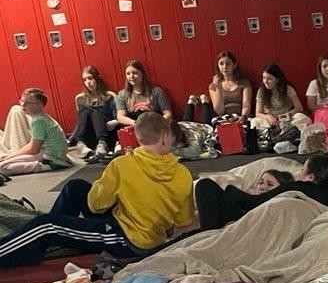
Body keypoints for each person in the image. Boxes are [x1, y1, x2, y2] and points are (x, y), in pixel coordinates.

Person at [0, 112, 194, 266]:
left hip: (126, 240)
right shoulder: (183, 173)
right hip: (146, 233)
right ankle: (55, 245)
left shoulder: (122, 165)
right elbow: (183, 219)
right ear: (165, 137)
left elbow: (95, 205)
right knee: (75, 187)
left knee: (46, 225)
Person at [194, 154, 328, 231]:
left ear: (310, 177)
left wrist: (228, 186)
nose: (298, 173)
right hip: (261, 221)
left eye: (302, 170)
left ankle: (207, 234)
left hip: (255, 225)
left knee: (204, 185)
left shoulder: (302, 187)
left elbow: (251, 203)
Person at [0, 89, 69, 176]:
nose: (22, 105)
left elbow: (34, 149)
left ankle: (44, 166)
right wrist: (11, 156)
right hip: (48, 153)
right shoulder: (39, 118)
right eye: (22, 101)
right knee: (6, 162)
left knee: (2, 167)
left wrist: (10, 156)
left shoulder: (39, 121)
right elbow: (33, 144)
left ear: (40, 105)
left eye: (27, 103)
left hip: (51, 157)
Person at [183, 51, 253, 125]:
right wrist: (218, 88)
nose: (224, 66)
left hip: (242, 116)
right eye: (221, 64)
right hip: (224, 119)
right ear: (218, 66)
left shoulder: (244, 83)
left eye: (228, 63)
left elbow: (246, 104)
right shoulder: (213, 86)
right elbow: (219, 111)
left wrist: (243, 116)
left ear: (234, 65)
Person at [67, 66, 119, 157]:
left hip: (107, 133)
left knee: (96, 112)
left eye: (90, 78)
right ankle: (80, 144)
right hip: (91, 136)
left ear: (97, 78)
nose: (88, 82)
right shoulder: (81, 98)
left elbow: (118, 117)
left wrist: (115, 122)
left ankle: (102, 144)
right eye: (85, 80)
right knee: (86, 111)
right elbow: (81, 122)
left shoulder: (109, 96)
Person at [251, 64, 312, 139]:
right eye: (264, 78)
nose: (266, 81)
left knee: (303, 118)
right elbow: (258, 113)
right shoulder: (261, 91)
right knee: (254, 122)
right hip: (270, 122)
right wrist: (269, 117)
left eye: (269, 79)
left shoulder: (288, 89)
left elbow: (299, 108)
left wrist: (288, 115)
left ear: (277, 79)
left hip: (286, 119)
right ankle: (280, 134)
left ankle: (281, 133)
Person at [115, 60, 172, 126]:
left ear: (142, 74)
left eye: (135, 73)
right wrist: (136, 123)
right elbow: (120, 117)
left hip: (155, 127)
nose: (131, 76)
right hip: (135, 127)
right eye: (128, 74)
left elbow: (168, 114)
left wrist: (156, 124)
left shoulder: (156, 91)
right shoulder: (122, 95)